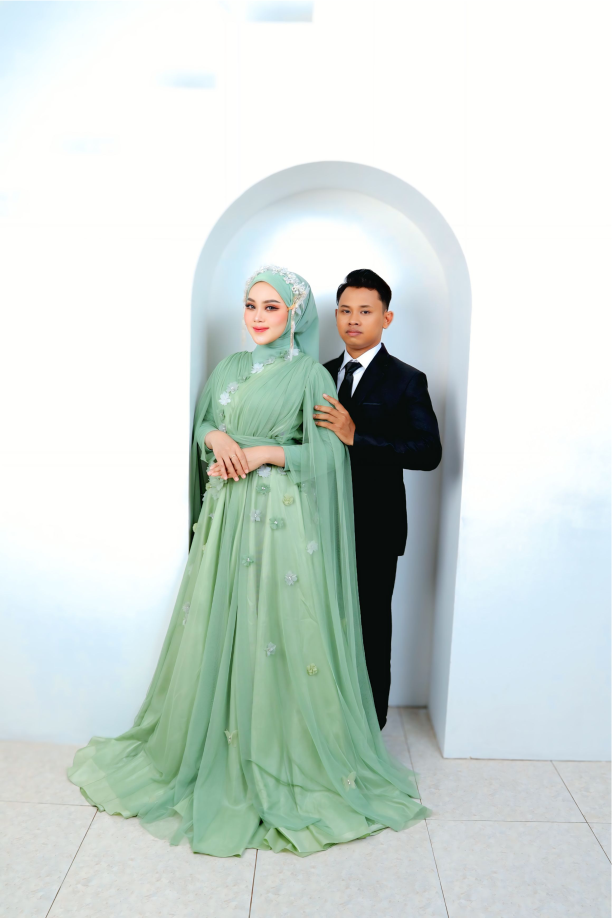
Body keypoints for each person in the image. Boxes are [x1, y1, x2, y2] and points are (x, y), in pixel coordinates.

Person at [68, 265, 429, 858]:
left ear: (295, 314)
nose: (258, 317)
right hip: (227, 512)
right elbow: (207, 421)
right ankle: (213, 741)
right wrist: (216, 439)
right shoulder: (230, 367)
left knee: (279, 626)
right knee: (224, 617)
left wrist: (262, 453)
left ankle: (292, 747)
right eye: (251, 305)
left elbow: (326, 458)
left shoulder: (312, 375)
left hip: (280, 521)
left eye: (272, 307)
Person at [314, 269, 442, 730]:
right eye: (345, 311)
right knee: (318, 621)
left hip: (375, 527)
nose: (353, 320)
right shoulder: (318, 375)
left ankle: (370, 729)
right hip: (316, 521)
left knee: (369, 626)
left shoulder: (406, 380)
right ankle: (322, 721)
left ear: (386, 318)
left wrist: (357, 437)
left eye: (365, 311)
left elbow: (428, 452)